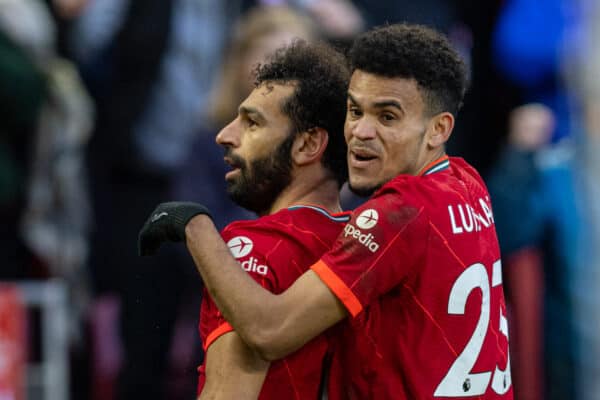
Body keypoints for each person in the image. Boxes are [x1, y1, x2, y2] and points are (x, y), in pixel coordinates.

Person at [139, 24, 513, 399]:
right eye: (354, 110)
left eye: (387, 117)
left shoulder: (388, 217)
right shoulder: (466, 183)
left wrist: (194, 225)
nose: (361, 131)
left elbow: (267, 334)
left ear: (438, 129)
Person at [142, 40, 350, 398]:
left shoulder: (254, 248)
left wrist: (198, 229)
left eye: (252, 123)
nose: (225, 135)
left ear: (307, 145)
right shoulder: (361, 243)